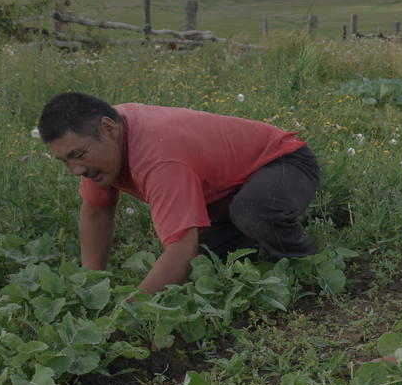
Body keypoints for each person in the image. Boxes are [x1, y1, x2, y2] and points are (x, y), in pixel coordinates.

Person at [38, 92, 320, 294]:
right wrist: (90, 285)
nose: (75, 170)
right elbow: (97, 211)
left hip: (283, 163)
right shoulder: (97, 152)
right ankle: (259, 238)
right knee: (203, 260)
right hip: (228, 195)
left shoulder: (157, 155)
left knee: (254, 213)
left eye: (78, 155)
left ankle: (310, 269)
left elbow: (180, 249)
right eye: (65, 161)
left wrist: (129, 316)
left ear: (109, 128)